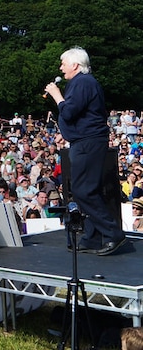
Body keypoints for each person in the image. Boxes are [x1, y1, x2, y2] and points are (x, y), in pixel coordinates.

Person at [45, 47, 126, 256]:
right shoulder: (82, 83)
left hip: (88, 143)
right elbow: (81, 114)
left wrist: (57, 96)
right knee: (88, 190)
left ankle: (112, 233)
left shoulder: (82, 82)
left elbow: (70, 110)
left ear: (75, 65)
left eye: (63, 63)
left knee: (83, 190)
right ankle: (93, 237)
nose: (60, 68)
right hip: (85, 140)